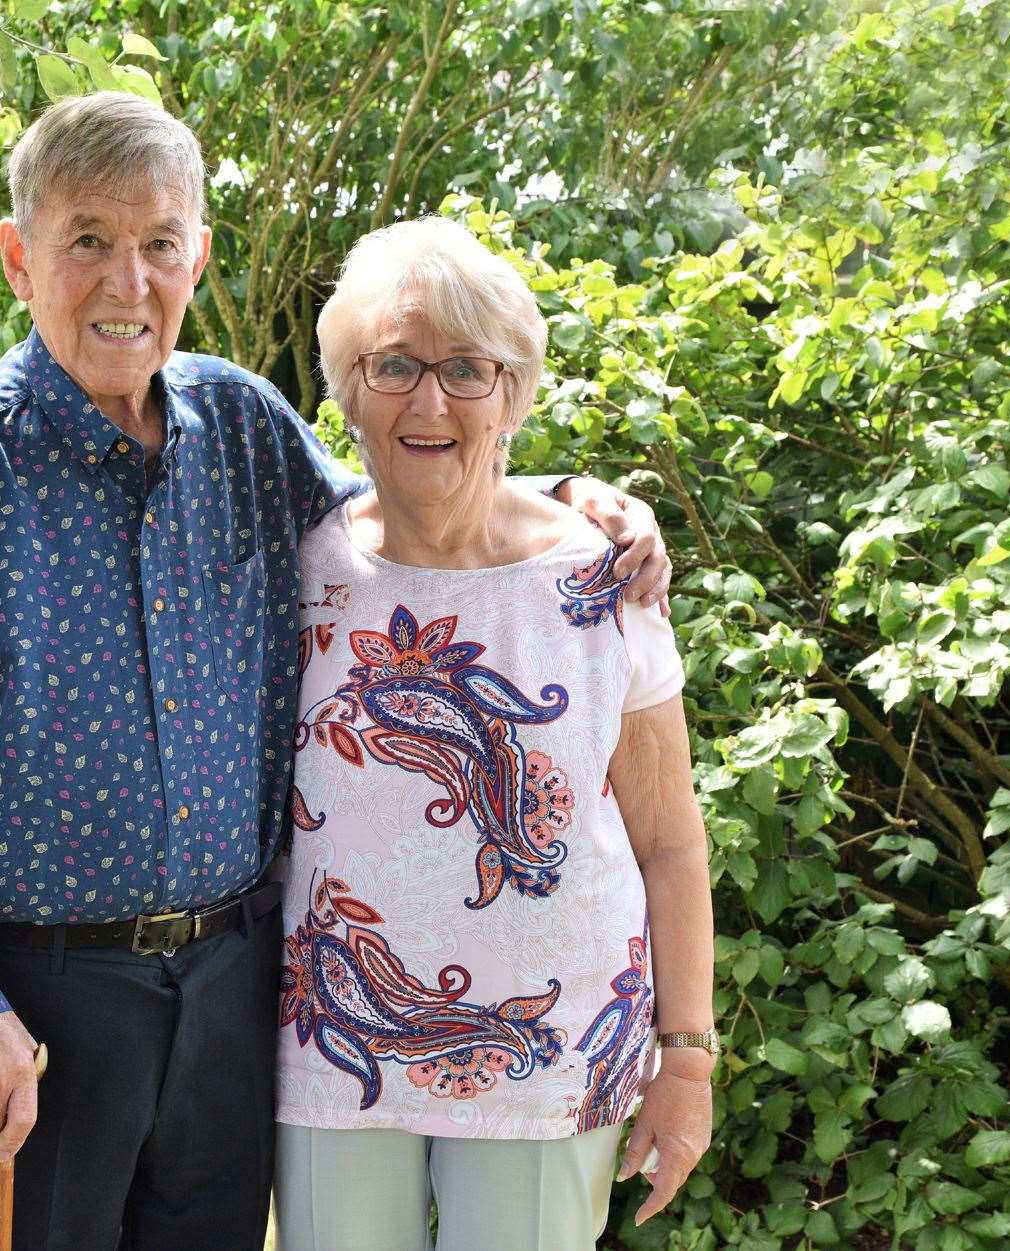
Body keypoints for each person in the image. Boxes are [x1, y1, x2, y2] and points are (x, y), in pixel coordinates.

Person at [0, 93, 671, 1251]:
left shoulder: (244, 430)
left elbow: (405, 532)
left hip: (237, 1004)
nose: (125, 282)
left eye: (157, 244)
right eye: (87, 239)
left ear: (197, 256)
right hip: (30, 1011)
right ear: (18, 259)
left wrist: (565, 503)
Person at [273, 216, 715, 1251]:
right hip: (333, 1036)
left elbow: (671, 840)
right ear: (347, 389)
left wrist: (686, 1058)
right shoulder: (297, 567)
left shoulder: (606, 579)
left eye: (469, 369)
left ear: (514, 394)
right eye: (394, 365)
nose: (430, 401)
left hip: (552, 1045)